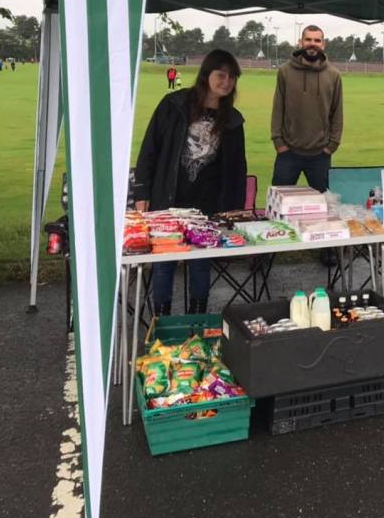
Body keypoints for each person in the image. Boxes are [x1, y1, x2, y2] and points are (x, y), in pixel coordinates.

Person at [134, 50, 246, 315]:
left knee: (200, 263)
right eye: (221, 75)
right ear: (206, 75)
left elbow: (237, 168)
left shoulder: (232, 119)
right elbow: (150, 149)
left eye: (232, 77)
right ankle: (161, 323)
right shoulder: (173, 105)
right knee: (164, 263)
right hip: (169, 198)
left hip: (206, 204)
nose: (226, 81)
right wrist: (142, 190)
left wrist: (234, 206)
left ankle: (197, 320)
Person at [270, 24, 343, 193]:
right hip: (288, 152)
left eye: (317, 40)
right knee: (278, 203)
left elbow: (337, 112)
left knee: (323, 206)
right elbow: (278, 107)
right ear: (300, 42)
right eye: (308, 39)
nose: (312, 43)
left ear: (323, 44)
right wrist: (278, 142)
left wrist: (331, 146)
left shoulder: (333, 75)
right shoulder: (285, 71)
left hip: (320, 154)